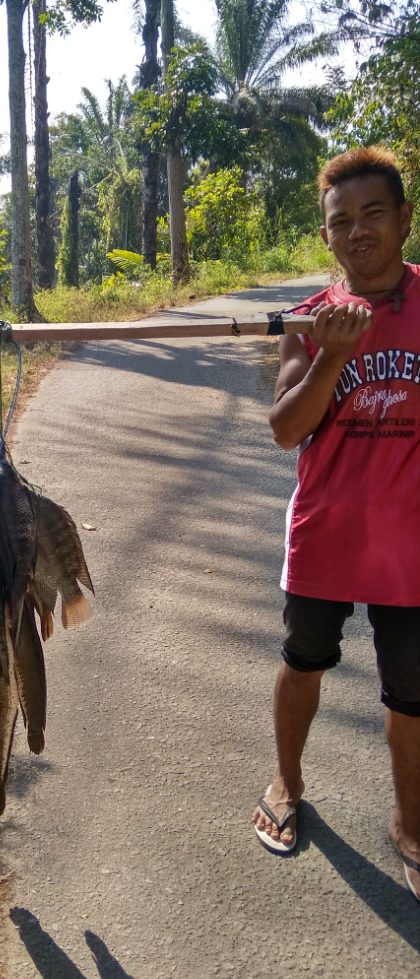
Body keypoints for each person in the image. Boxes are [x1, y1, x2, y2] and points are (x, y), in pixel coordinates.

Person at [251, 147, 420, 901]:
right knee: (304, 662)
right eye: (341, 222)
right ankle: (286, 782)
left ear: (405, 219)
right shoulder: (310, 321)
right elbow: (286, 429)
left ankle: (411, 820)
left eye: (373, 214)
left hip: (411, 548)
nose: (358, 232)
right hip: (326, 535)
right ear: (325, 237)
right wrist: (328, 358)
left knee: (412, 695)